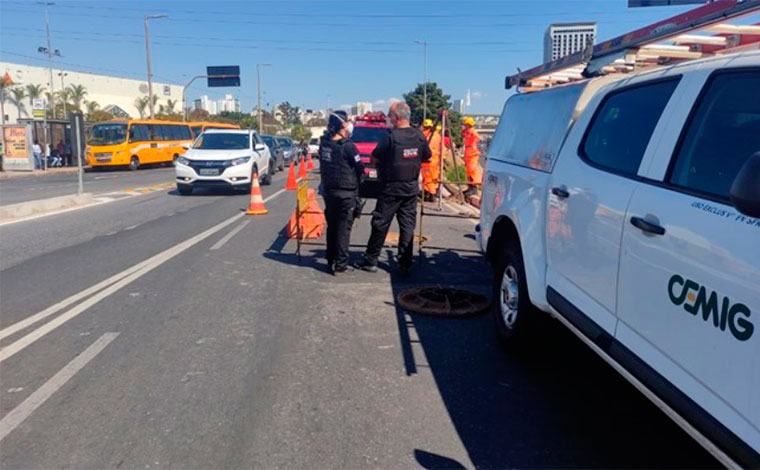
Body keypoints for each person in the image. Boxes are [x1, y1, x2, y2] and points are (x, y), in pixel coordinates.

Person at [356, 102, 431, 277]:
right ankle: (405, 265)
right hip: (411, 189)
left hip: (390, 189)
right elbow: (427, 157)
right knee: (407, 227)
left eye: (390, 116)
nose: (389, 119)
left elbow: (374, 158)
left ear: (397, 117)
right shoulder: (419, 136)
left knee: (380, 224)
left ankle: (371, 260)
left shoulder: (390, 137)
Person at [319, 110, 364, 275]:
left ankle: (330, 259)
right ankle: (341, 263)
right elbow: (359, 167)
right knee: (343, 227)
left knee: (332, 226)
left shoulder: (324, 144)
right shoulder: (348, 146)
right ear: (343, 124)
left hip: (329, 192)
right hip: (346, 192)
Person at [420, 119, 441, 202]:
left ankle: (431, 194)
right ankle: (430, 193)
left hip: (428, 160)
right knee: (433, 177)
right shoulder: (437, 135)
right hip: (435, 160)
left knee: (428, 177)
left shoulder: (427, 136)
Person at [461, 116, 482, 196]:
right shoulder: (467, 132)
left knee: (472, 171)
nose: (464, 126)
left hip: (473, 155)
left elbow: (476, 139)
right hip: (468, 154)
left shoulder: (473, 133)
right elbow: (463, 133)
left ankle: (474, 187)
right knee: (469, 172)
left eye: (465, 124)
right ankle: (470, 187)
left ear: (469, 125)